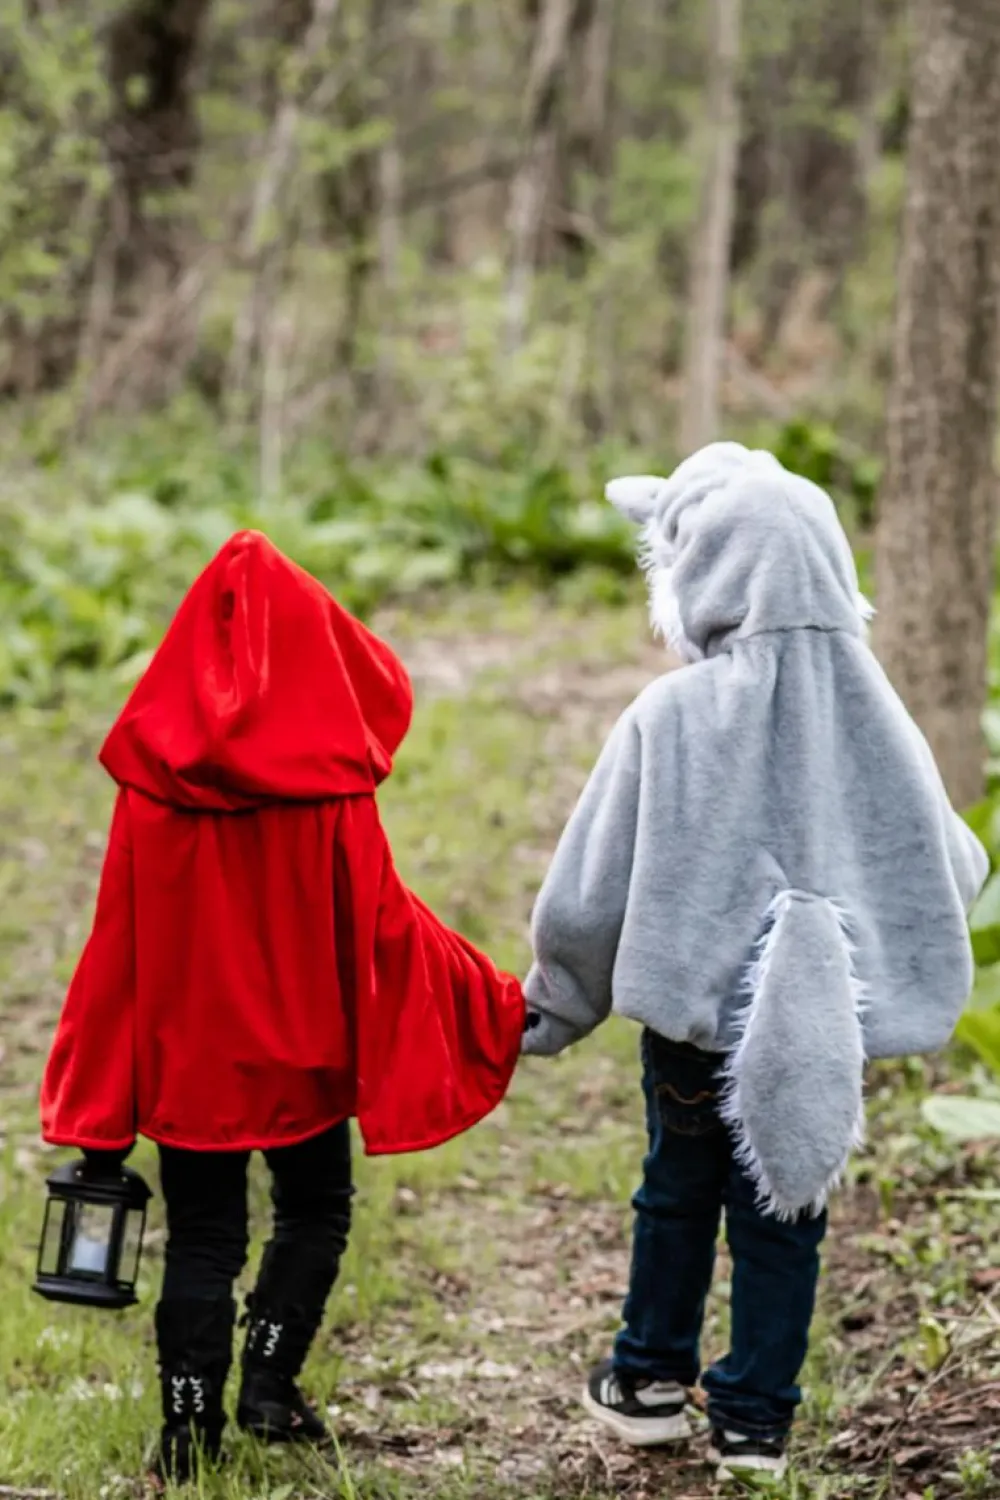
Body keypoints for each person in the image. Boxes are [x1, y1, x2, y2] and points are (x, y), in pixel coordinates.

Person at [521, 443, 987, 1481]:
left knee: (675, 1190)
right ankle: (756, 1420)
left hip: (695, 1019)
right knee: (788, 1212)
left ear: (703, 578)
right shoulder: (880, 719)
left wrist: (556, 1002)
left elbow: (593, 886)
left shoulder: (670, 716)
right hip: (822, 1027)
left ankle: (646, 1379)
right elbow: (954, 863)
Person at [40, 530, 524, 1485]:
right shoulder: (330, 795)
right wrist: (494, 996)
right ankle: (268, 1379)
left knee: (206, 1239)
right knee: (315, 1213)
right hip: (305, 1059)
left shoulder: (151, 797)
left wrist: (100, 1116)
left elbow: (117, 957)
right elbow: (385, 926)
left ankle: (189, 1430)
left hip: (193, 1065)